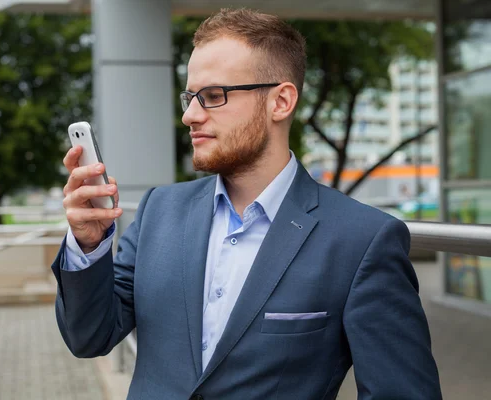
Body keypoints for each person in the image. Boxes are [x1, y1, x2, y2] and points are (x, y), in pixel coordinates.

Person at [53, 8, 442, 400]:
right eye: (190, 96)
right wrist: (87, 246)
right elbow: (90, 337)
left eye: (213, 96)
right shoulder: (160, 211)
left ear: (281, 101)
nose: (189, 115)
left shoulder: (363, 240)